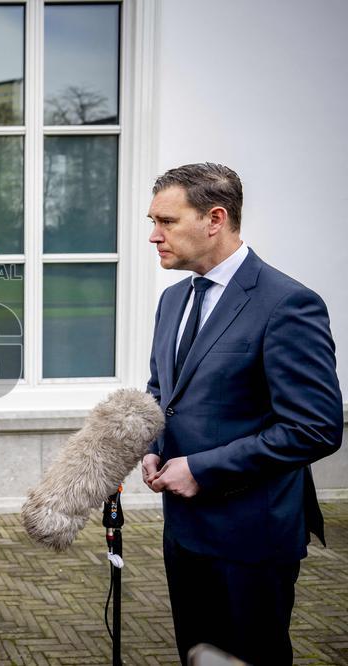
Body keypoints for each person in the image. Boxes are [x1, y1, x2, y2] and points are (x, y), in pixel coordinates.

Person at [141, 163, 343, 665]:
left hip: (251, 536)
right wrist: (152, 447)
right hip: (184, 531)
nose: (153, 236)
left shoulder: (288, 304)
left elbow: (315, 427)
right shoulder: (172, 300)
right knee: (198, 656)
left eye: (166, 221)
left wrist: (202, 468)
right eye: (153, 221)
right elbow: (161, 391)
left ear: (215, 218)